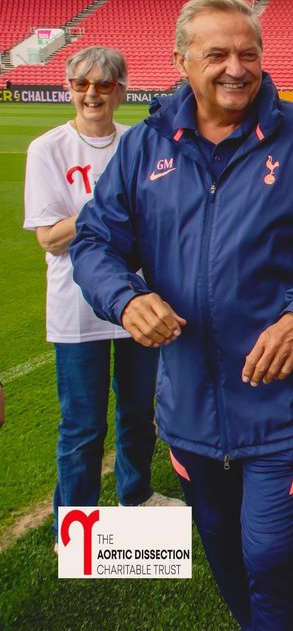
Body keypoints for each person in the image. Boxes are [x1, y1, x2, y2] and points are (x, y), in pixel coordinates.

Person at [70, 0, 293, 631]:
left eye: (249, 53)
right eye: (218, 54)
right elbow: (95, 241)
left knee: (270, 551)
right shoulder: (146, 142)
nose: (237, 67)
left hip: (287, 403)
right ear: (181, 61)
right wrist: (126, 298)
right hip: (188, 404)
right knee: (224, 554)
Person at [24, 46, 183, 543]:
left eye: (104, 84)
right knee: (83, 425)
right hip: (76, 308)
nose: (92, 93)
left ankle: (134, 495)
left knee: (138, 411)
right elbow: (50, 237)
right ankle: (74, 525)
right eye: (81, 84)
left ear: (122, 89)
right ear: (69, 88)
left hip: (138, 304)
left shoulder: (137, 144)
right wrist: (108, 204)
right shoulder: (48, 148)